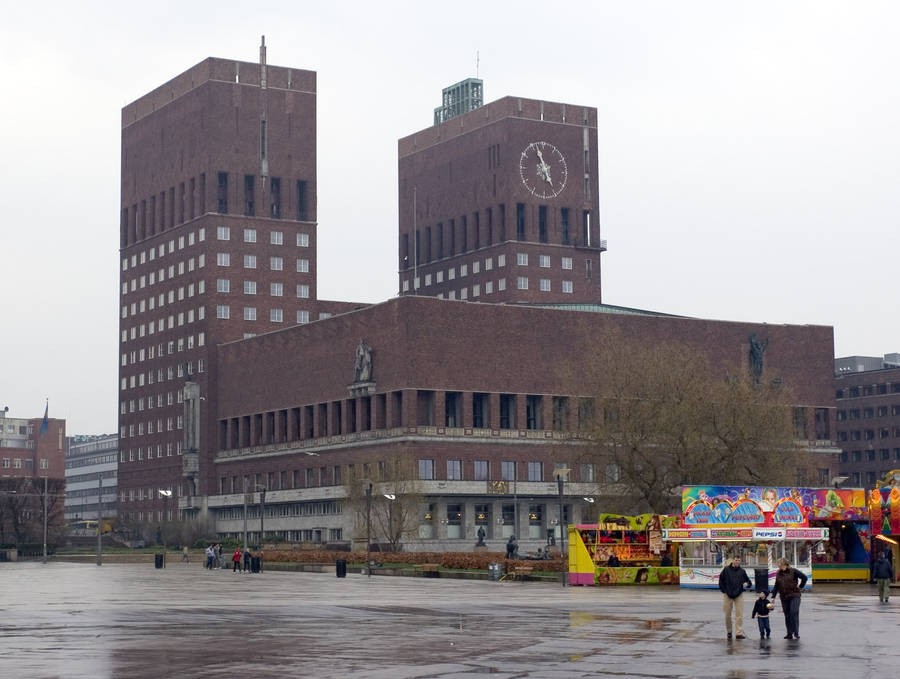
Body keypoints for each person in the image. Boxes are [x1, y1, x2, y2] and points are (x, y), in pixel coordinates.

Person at [772, 558, 807, 639]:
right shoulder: (778, 573)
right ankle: (789, 633)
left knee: (793, 612)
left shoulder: (793, 571)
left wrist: (801, 586)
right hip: (784, 597)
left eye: (779, 563)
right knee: (787, 615)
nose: (778, 565)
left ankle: (796, 632)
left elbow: (804, 577)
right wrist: (773, 596)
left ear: (784, 564)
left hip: (795, 595)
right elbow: (776, 586)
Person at [718, 555, 752, 639]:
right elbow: (721, 580)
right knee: (727, 614)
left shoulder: (742, 571)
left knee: (739, 614)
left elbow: (749, 582)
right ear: (733, 560)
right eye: (736, 560)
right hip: (728, 594)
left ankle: (738, 633)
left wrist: (747, 584)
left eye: (739, 560)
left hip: (738, 594)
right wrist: (724, 590)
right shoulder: (726, 570)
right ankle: (729, 631)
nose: (737, 562)